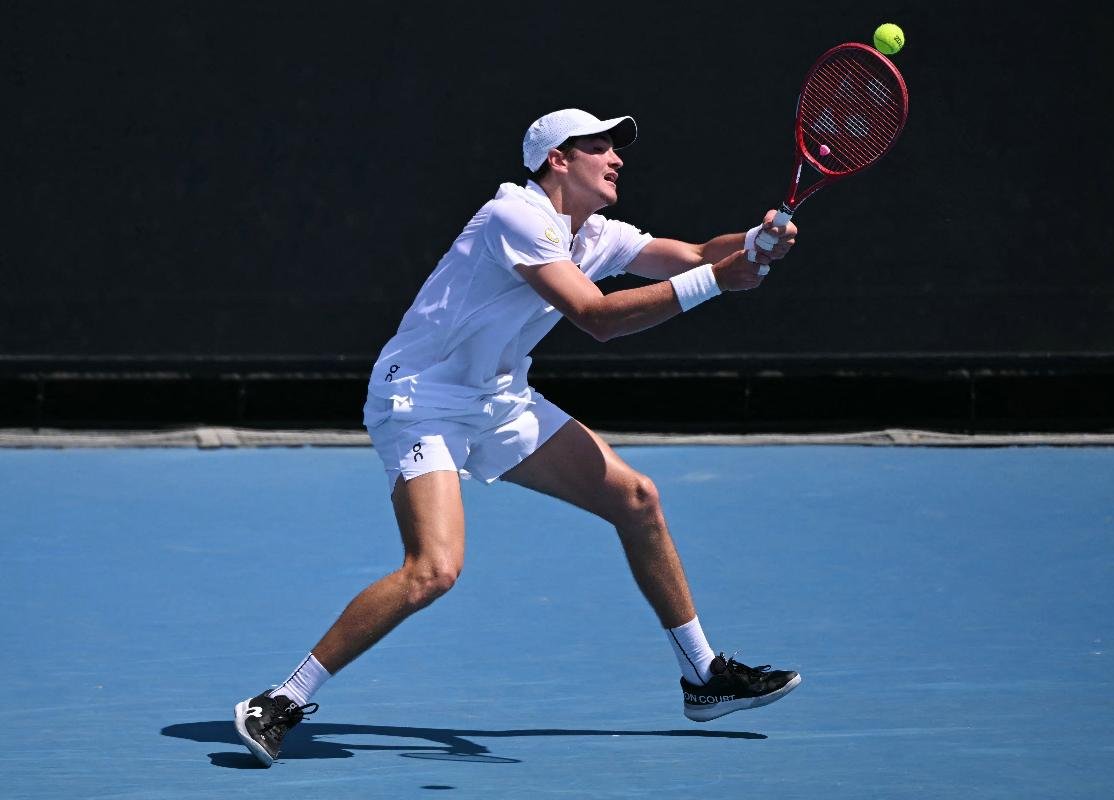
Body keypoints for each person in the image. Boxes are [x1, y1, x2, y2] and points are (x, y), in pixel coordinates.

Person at [235, 108, 801, 766]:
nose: (617, 159)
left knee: (637, 499)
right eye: (600, 147)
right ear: (558, 159)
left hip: (499, 401)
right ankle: (281, 698)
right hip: (421, 401)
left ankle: (704, 677)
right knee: (433, 571)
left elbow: (700, 253)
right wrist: (718, 281)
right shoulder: (516, 216)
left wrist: (755, 242)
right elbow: (596, 317)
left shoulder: (597, 233)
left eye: (616, 149)